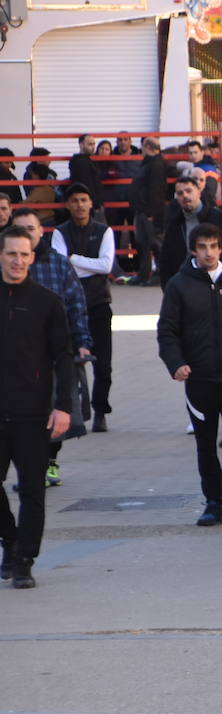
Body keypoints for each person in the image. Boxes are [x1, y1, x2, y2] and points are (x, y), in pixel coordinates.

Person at [157, 224, 222, 527]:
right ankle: (213, 502)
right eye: (202, 246)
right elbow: (167, 330)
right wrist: (176, 363)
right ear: (193, 250)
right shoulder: (179, 285)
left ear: (221, 248)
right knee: (205, 441)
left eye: (213, 246)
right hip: (199, 377)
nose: (208, 252)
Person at [0, 225, 73, 589]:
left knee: (32, 491)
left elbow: (64, 357)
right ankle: (10, 539)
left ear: (32, 257)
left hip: (33, 414)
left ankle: (24, 560)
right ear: (1, 255)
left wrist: (63, 407)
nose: (18, 261)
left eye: (24, 254)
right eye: (11, 253)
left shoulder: (48, 302)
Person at [50, 185, 113, 433]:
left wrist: (74, 259)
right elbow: (60, 265)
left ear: (91, 203)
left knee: (103, 364)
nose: (79, 205)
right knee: (69, 361)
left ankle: (100, 411)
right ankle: (72, 411)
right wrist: (88, 265)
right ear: (67, 205)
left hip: (98, 303)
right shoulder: (60, 232)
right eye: (74, 200)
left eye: (84, 200)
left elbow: (106, 265)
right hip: (68, 305)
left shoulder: (104, 231)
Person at [159, 175, 222, 290]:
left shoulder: (221, 219)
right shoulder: (175, 224)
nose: (185, 195)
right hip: (186, 285)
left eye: (189, 191)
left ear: (199, 192)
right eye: (180, 193)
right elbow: (166, 259)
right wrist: (169, 289)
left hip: (219, 282)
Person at [129, 137, 169, 286]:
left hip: (149, 212)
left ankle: (159, 274)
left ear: (147, 147)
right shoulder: (149, 163)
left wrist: (152, 212)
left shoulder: (156, 165)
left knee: (155, 244)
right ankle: (143, 274)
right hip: (142, 210)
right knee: (142, 243)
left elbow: (156, 190)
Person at [66, 135, 105, 213]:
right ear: (81, 145)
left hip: (89, 203)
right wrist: (94, 204)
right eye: (90, 144)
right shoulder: (82, 162)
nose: (93, 147)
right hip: (89, 205)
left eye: (93, 144)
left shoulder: (85, 160)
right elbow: (88, 184)